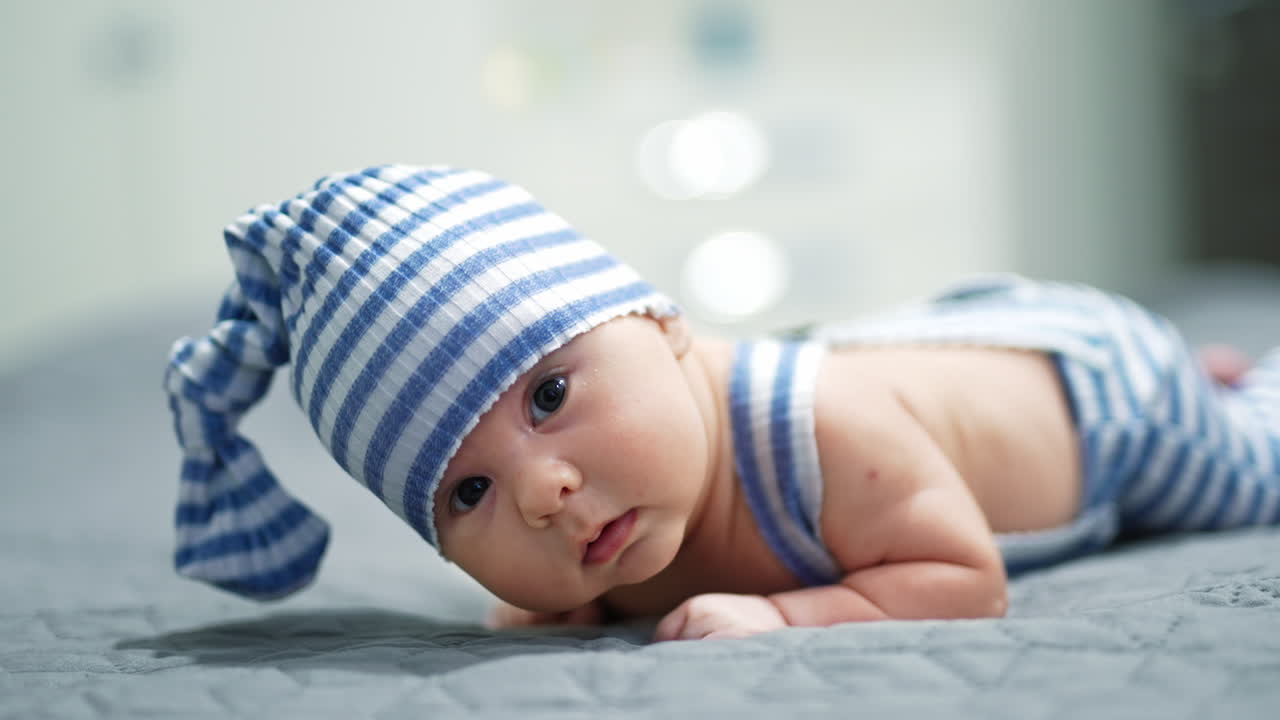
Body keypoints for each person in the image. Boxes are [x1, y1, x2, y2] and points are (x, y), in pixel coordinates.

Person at [165, 164, 1280, 641]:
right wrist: (567, 603)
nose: (543, 493)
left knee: (1248, 464)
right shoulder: (611, 525)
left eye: (548, 393)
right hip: (947, 347)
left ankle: (1220, 387)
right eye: (466, 492)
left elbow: (962, 577)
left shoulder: (817, 429)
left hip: (1100, 400)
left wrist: (785, 616)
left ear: (659, 321)